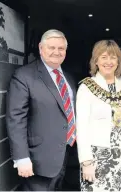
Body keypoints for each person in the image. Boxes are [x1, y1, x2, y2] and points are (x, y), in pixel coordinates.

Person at [6, 29, 80, 191]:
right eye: (51, 47)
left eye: (61, 48)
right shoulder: (24, 76)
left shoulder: (69, 77)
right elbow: (16, 119)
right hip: (37, 160)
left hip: (64, 156)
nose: (56, 52)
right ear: (41, 48)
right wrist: (21, 157)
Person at [76, 40, 121, 191]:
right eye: (103, 57)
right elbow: (81, 127)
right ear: (96, 60)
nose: (109, 62)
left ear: (119, 61)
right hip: (97, 157)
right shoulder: (87, 87)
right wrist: (86, 162)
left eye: (113, 57)